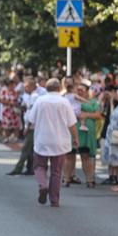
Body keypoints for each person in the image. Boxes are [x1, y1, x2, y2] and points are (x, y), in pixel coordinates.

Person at [25, 78, 79, 207]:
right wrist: (75, 137)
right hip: (60, 141)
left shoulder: (40, 100)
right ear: (59, 88)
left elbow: (31, 119)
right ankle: (54, 199)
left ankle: (42, 185)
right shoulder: (64, 102)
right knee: (56, 171)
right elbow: (71, 123)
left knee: (39, 166)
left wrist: (26, 129)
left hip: (42, 139)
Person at [63, 81, 103, 188]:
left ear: (87, 92)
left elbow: (98, 115)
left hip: (85, 133)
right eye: (78, 89)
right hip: (72, 131)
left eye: (82, 90)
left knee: (85, 156)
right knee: (69, 156)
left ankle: (90, 180)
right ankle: (66, 178)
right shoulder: (69, 100)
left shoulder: (93, 101)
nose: (80, 92)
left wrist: (87, 114)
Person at [7, 77, 46, 176]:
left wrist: (28, 126)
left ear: (31, 87)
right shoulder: (29, 95)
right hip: (29, 124)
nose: (25, 89)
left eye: (26, 87)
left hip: (32, 126)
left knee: (25, 148)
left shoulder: (35, 96)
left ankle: (18, 168)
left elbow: (33, 113)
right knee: (30, 148)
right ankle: (30, 168)